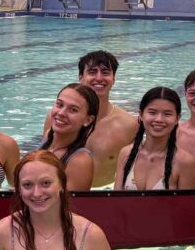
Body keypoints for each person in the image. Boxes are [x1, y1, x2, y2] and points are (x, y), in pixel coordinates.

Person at [43, 51, 138, 188]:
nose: (99, 78)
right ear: (81, 77)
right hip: (65, 191)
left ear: (114, 78)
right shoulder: (57, 118)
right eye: (92, 72)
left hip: (105, 193)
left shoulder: (130, 124)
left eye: (105, 73)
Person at [115, 87, 195, 191]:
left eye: (167, 114)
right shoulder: (126, 154)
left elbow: (187, 206)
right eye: (152, 112)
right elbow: (116, 202)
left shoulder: (184, 162)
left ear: (177, 118)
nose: (159, 119)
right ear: (141, 115)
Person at [38, 83, 98, 191]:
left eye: (73, 110)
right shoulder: (48, 136)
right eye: (59, 105)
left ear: (88, 120)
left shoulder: (80, 161)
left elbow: (72, 206)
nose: (61, 113)